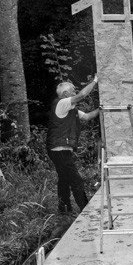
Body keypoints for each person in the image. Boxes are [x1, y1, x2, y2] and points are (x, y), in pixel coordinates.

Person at [47, 76, 99, 215]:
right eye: (72, 91)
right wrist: (95, 81)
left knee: (64, 179)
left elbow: (88, 117)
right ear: (65, 94)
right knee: (76, 180)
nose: (75, 92)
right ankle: (85, 210)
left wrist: (101, 108)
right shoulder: (61, 103)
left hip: (59, 149)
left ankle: (64, 208)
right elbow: (82, 95)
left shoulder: (71, 110)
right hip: (60, 149)